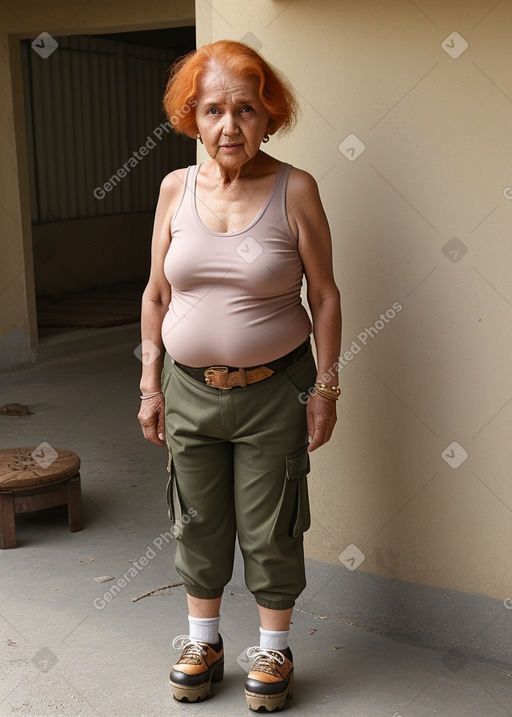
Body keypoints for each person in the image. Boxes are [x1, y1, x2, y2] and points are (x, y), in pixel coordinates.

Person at [138, 39, 341, 712]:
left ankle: (274, 650)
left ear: (269, 116)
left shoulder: (296, 188)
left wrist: (326, 389)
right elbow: (155, 296)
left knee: (271, 524)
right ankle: (203, 641)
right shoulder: (174, 188)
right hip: (189, 389)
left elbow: (327, 296)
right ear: (192, 115)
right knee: (195, 518)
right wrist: (149, 384)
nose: (231, 127)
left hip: (276, 390)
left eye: (247, 110)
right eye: (214, 109)